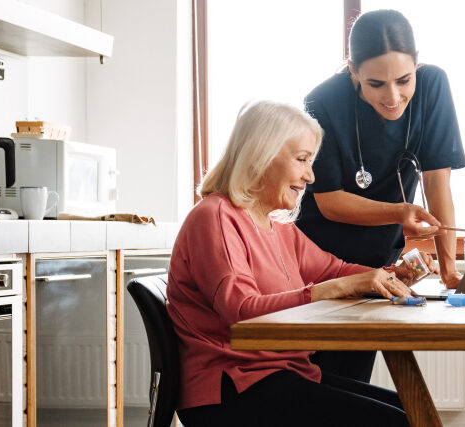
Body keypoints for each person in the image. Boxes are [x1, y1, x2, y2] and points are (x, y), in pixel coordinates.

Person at [166, 101, 433, 426]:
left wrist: (392, 276)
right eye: (302, 160)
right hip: (232, 388)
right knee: (400, 422)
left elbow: (334, 271)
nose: (310, 175)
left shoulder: (277, 226)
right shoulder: (215, 217)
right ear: (260, 155)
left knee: (415, 411)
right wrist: (338, 287)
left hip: (280, 374)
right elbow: (240, 312)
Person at [299, 9, 465, 382]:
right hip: (323, 261)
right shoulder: (322, 102)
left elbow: (436, 181)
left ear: (417, 65)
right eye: (375, 84)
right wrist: (400, 212)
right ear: (353, 71)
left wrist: (449, 269)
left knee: (356, 382)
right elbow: (329, 202)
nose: (393, 97)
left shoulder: (433, 86)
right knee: (330, 381)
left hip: (381, 262)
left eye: (403, 79)